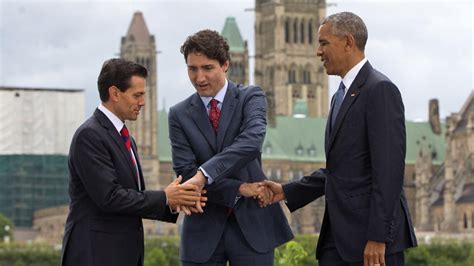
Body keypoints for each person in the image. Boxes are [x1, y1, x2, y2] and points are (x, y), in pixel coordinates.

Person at [261, 12, 417, 266]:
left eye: (324, 43)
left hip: (370, 240)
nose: (317, 52)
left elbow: (389, 171)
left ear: (348, 42)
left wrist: (378, 237)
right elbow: (339, 170)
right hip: (339, 237)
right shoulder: (339, 96)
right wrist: (286, 191)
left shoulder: (380, 90)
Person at [61, 58, 205, 266]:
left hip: (122, 254)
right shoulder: (90, 136)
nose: (143, 102)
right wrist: (164, 197)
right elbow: (110, 197)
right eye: (137, 95)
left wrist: (173, 202)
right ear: (115, 93)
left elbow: (133, 199)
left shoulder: (125, 138)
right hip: (96, 255)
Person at [168, 29, 293, 265]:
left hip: (253, 228)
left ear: (225, 65)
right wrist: (241, 188)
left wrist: (204, 175)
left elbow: (250, 142)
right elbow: (186, 174)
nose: (199, 77)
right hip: (202, 232)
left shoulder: (251, 97)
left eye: (207, 68)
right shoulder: (178, 114)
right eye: (192, 69)